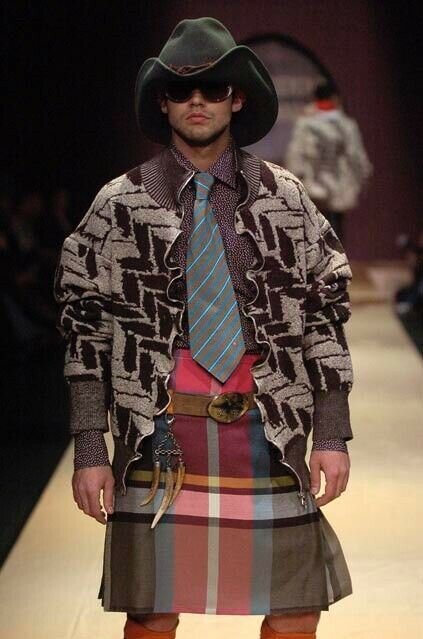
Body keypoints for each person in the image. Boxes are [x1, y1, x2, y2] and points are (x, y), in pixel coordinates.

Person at [54, 18, 354, 639]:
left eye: (213, 88)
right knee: (153, 607)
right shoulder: (120, 205)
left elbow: (324, 312)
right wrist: (89, 446)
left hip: (268, 424)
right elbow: (86, 330)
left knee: (297, 605)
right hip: (156, 429)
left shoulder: (284, 198)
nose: (198, 101)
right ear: (162, 102)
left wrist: (331, 430)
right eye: (181, 89)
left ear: (236, 99)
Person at [285, 79, 372, 243]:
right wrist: (364, 175)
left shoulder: (305, 124)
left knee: (316, 227)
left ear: (314, 98)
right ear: (334, 98)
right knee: (337, 227)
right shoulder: (346, 125)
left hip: (314, 185)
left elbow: (296, 155)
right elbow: (356, 155)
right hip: (340, 184)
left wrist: (293, 181)